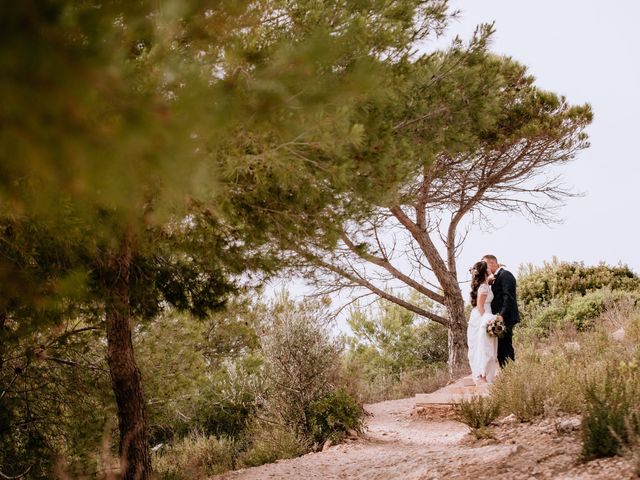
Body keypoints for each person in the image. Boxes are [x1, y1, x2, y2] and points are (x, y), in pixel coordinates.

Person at [482, 254, 519, 367]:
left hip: (506, 317)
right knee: (500, 348)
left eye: (485, 265)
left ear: (492, 263)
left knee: (505, 346)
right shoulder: (494, 278)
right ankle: (506, 373)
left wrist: (502, 315)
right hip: (498, 317)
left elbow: (508, 297)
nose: (484, 268)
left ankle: (510, 374)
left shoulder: (505, 275)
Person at [467, 260, 499, 385]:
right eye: (488, 268)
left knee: (481, 347)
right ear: (485, 272)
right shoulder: (484, 287)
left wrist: (490, 278)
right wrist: (488, 321)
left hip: (480, 316)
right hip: (482, 317)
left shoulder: (483, 285)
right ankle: (482, 376)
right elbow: (481, 306)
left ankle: (482, 375)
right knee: (484, 347)